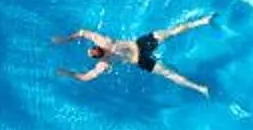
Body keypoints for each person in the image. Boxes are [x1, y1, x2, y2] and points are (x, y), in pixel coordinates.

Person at [55, 13, 213, 95]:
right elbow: (85, 77)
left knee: (171, 35)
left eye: (95, 48)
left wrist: (65, 40)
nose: (99, 48)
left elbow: (82, 33)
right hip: (140, 56)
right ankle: (199, 88)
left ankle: (201, 22)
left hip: (140, 46)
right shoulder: (104, 60)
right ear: (99, 53)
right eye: (97, 51)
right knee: (170, 73)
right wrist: (67, 71)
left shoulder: (104, 48)